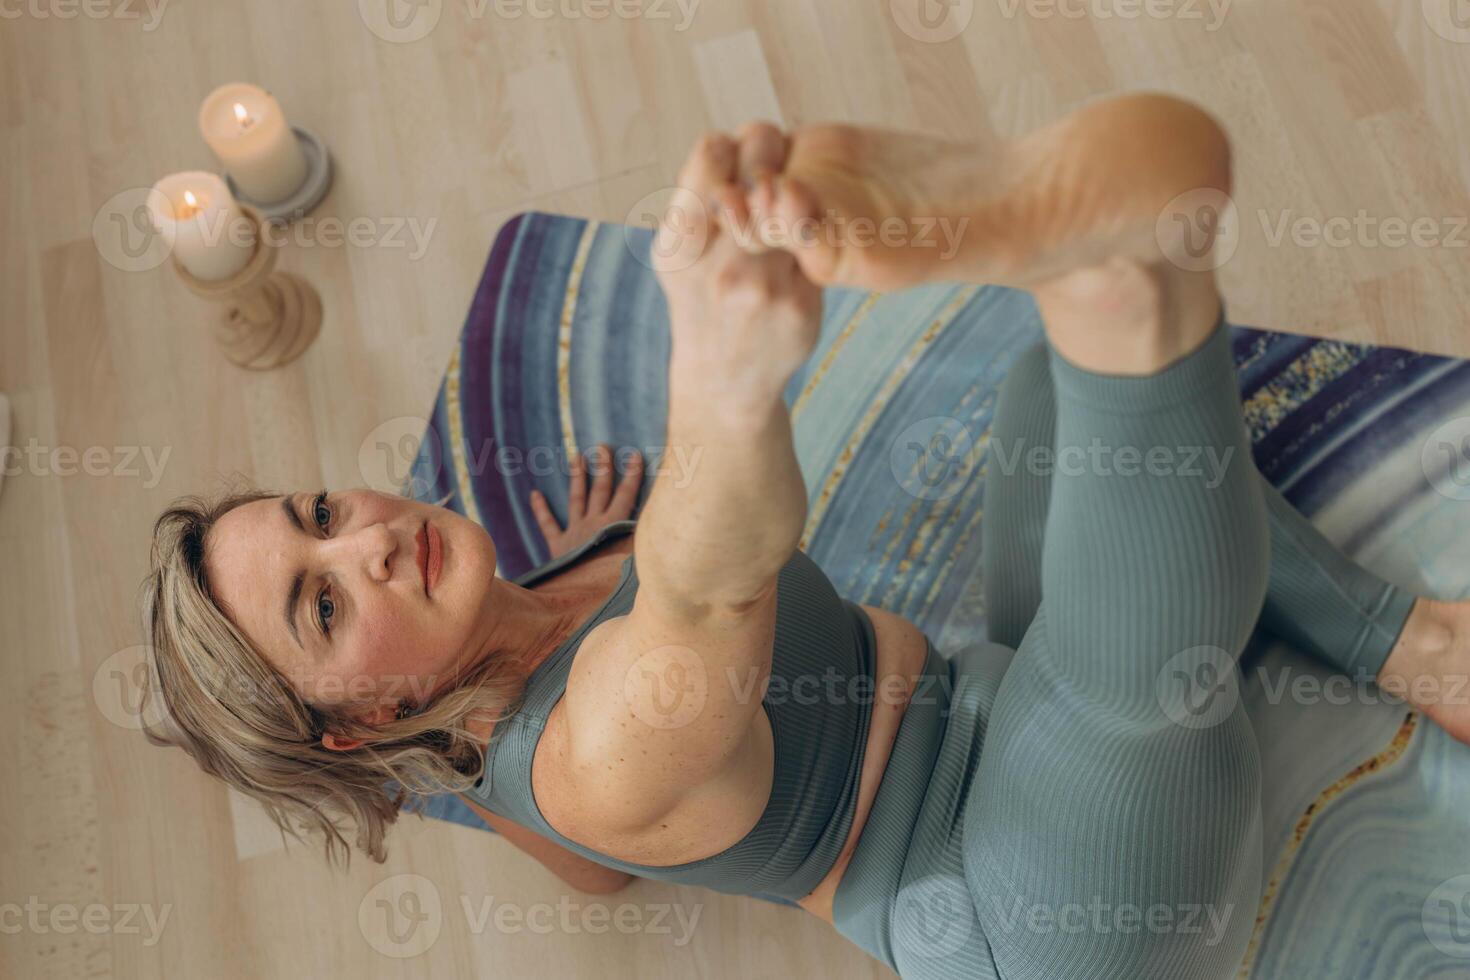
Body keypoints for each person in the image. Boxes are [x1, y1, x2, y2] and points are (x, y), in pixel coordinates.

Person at [142, 94, 1467, 978]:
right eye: (321, 605)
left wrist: (593, 550)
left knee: (1043, 403)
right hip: (1039, 901)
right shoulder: (585, 766)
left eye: (318, 513)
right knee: (1131, 674)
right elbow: (704, 596)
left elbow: (594, 874)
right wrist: (717, 372)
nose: (364, 539)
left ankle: (1403, 640)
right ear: (354, 727)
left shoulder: (504, 672)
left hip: (994, 690)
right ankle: (1118, 267)